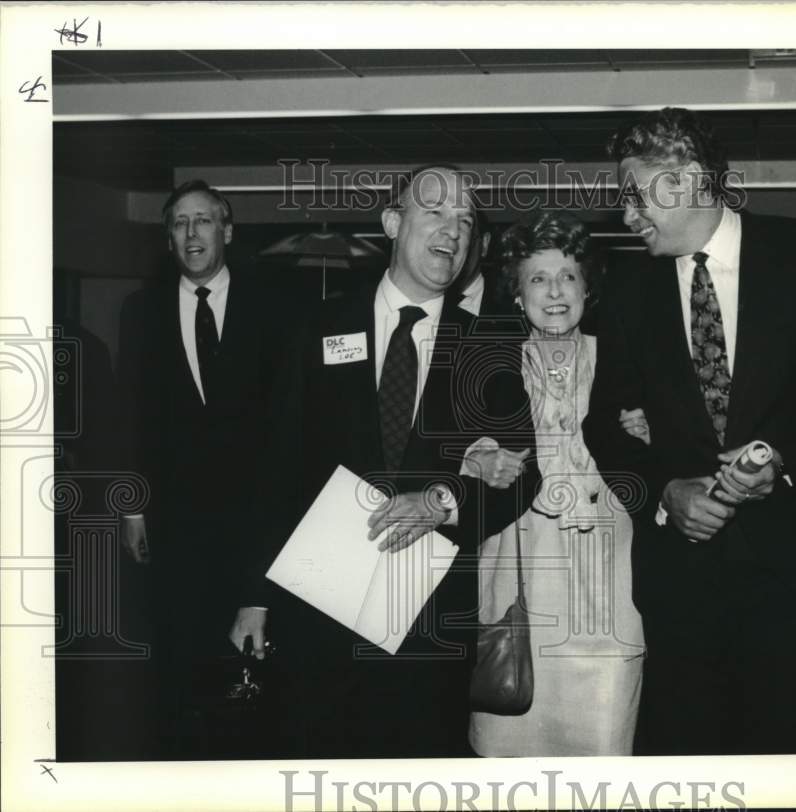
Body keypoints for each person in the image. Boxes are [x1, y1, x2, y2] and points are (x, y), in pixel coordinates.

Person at [583, 107, 796, 755]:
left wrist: (784, 455)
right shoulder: (628, 290)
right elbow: (603, 424)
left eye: (635, 196)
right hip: (681, 590)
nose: (626, 214)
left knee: (789, 754)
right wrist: (665, 491)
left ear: (688, 180)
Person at [230, 165, 539, 758]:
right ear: (394, 223)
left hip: (426, 623)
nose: (454, 229)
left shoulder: (490, 342)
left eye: (466, 219)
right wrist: (254, 595)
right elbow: (276, 469)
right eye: (436, 212)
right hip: (316, 609)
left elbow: (522, 474)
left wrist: (442, 501)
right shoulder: (318, 328)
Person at [116, 180, 292, 757]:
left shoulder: (272, 305)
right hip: (175, 522)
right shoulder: (141, 312)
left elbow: (292, 419)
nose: (192, 234)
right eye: (179, 225)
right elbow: (130, 415)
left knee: (253, 670)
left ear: (228, 231)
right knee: (179, 662)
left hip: (256, 520)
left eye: (203, 221)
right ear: (168, 239)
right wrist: (134, 507)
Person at [468, 211, 645, 756]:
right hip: (523, 569)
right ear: (517, 295)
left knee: (602, 741)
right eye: (537, 279)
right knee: (511, 739)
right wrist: (478, 458)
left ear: (587, 288)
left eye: (567, 275)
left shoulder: (625, 359)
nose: (554, 291)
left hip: (607, 576)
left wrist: (647, 435)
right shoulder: (489, 361)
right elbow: (453, 446)